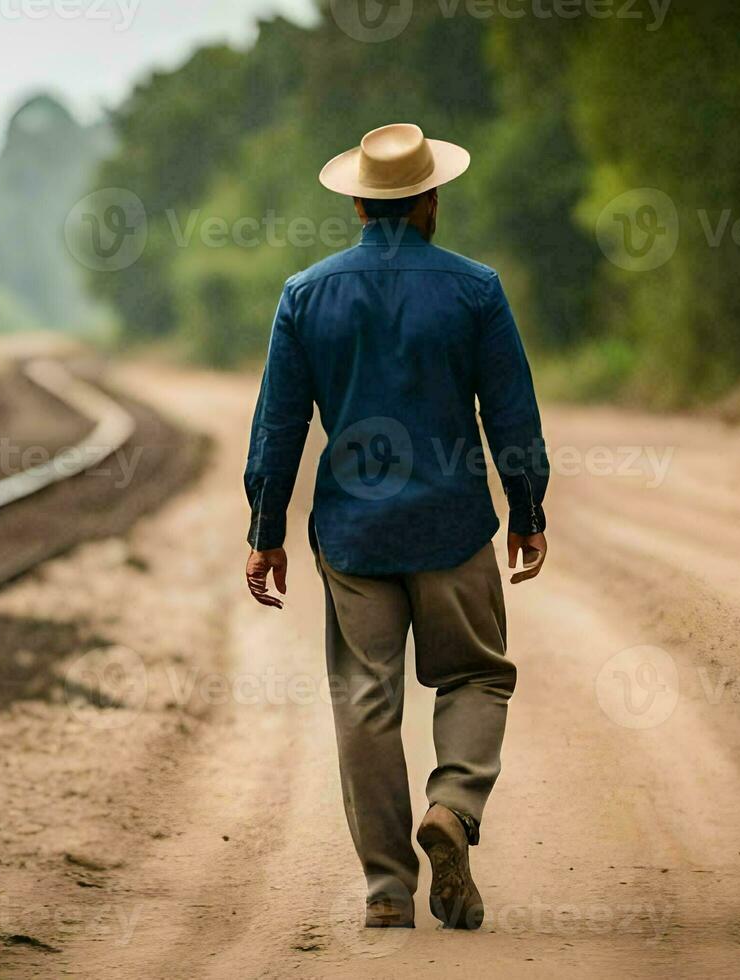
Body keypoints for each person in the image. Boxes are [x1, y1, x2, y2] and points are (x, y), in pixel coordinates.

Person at [242, 124, 550, 931]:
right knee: (477, 675)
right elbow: (510, 411)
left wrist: (265, 528)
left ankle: (387, 891)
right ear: (430, 199)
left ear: (355, 201)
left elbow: (278, 426)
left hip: (354, 539)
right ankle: (452, 805)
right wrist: (527, 507)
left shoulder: (306, 295)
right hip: (451, 522)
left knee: (366, 701)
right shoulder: (475, 289)